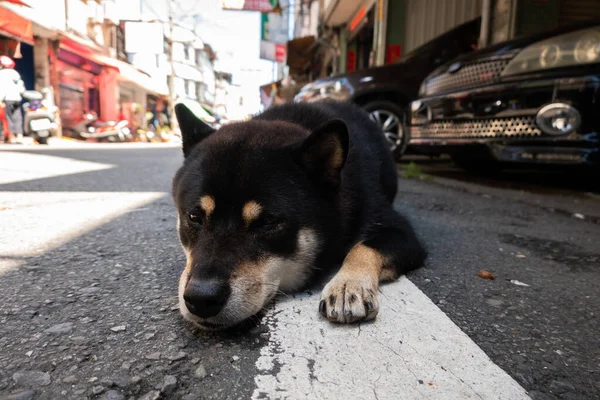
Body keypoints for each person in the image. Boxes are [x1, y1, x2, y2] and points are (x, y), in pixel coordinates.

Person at [0, 55, 25, 143]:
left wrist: (0, 99)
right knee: (17, 117)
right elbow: (21, 87)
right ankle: (19, 136)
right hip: (17, 98)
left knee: (9, 117)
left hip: (8, 98)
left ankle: (12, 137)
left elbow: (2, 88)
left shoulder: (2, 74)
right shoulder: (15, 73)